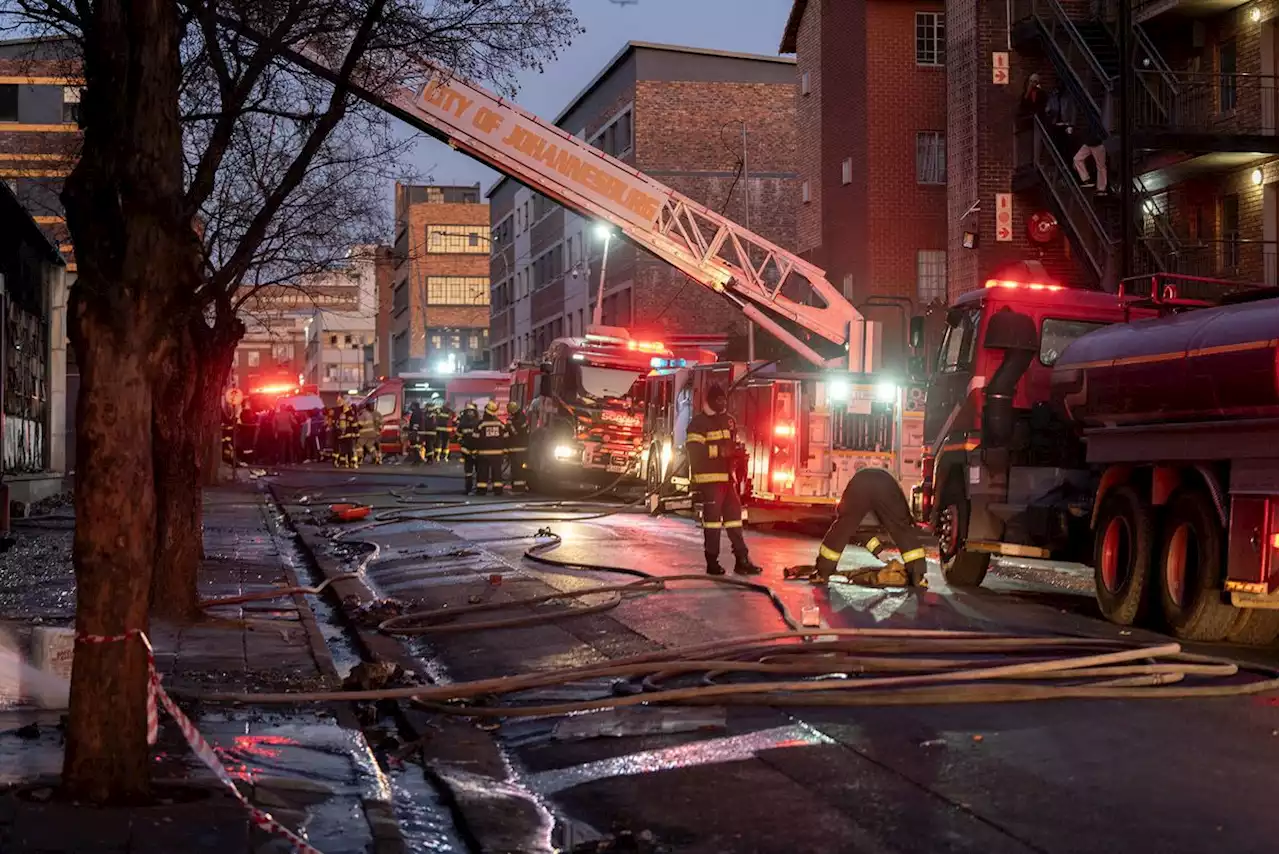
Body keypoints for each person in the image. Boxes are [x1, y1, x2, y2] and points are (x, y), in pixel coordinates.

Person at [784, 467, 929, 588]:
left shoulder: (859, 518)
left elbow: (862, 534)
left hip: (860, 482)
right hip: (885, 482)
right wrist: (882, 554)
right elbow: (903, 526)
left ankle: (823, 573)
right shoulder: (890, 511)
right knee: (902, 529)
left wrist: (881, 554)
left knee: (842, 527)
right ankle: (918, 577)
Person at [686, 384, 761, 576]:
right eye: (718, 400)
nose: (721, 403)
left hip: (727, 480)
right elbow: (694, 452)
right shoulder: (698, 423)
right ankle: (712, 563)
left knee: (735, 519)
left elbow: (731, 445)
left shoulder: (728, 421)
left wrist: (738, 455)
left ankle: (742, 560)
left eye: (724, 400)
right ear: (710, 401)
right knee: (712, 523)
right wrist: (720, 451)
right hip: (709, 481)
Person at [1073, 92, 1111, 195]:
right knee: (1077, 158)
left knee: (1101, 166)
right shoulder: (1090, 117)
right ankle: (1086, 179)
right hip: (1089, 142)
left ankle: (1102, 188)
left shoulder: (1096, 117)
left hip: (1097, 144)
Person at [472, 401, 509, 496]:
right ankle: (498, 490)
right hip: (497, 453)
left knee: (482, 472)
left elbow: (475, 438)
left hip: (483, 453)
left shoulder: (480, 424)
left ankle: (481, 490)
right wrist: (504, 450)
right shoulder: (500, 424)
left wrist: (475, 450)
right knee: (497, 472)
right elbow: (506, 437)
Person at [457, 401, 481, 494]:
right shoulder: (462, 423)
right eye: (468, 411)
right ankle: (468, 489)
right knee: (468, 472)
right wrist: (461, 443)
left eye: (471, 411)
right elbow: (458, 436)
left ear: (475, 412)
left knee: (479, 471)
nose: (470, 413)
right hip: (466, 450)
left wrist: (477, 449)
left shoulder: (478, 423)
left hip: (477, 450)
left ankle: (479, 489)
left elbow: (481, 437)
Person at [505, 401, 529, 493]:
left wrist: (509, 425)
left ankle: (518, 487)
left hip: (516, 448)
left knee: (516, 469)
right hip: (522, 447)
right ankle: (520, 486)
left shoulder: (517, 420)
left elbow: (514, 433)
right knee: (519, 468)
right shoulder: (522, 417)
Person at [336, 397, 360, 468]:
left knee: (343, 450)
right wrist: (357, 434)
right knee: (351, 450)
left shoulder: (341, 415)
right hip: (350, 436)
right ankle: (353, 463)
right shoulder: (350, 414)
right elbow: (354, 425)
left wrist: (339, 434)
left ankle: (344, 463)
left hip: (342, 436)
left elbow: (337, 425)